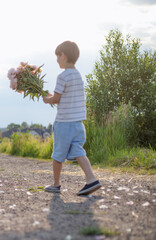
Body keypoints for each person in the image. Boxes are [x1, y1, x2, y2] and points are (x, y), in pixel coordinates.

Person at [42, 41, 101, 195]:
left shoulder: (62, 76)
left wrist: (46, 98)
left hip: (64, 123)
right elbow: (64, 96)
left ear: (63, 55)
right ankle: (91, 179)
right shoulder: (78, 75)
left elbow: (56, 99)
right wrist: (52, 96)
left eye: (57, 56)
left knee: (58, 154)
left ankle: (56, 184)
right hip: (78, 123)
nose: (56, 60)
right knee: (78, 151)